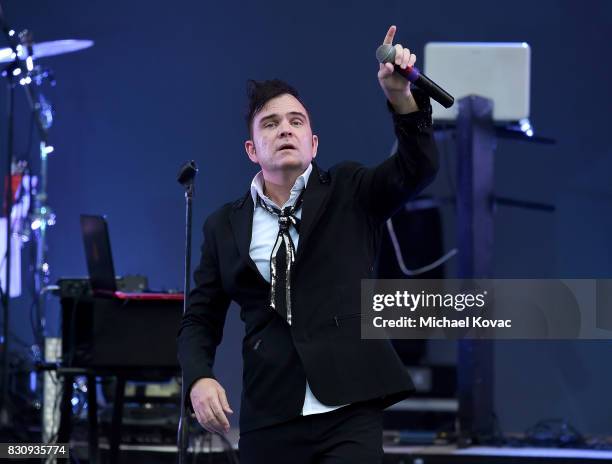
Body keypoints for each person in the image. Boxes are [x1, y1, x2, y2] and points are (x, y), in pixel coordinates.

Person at [177, 25, 439, 463]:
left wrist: (401, 99)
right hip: (270, 412)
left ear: (313, 143)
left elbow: (417, 169)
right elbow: (199, 319)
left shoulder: (349, 189)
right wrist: (199, 378)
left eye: (296, 122)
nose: (285, 130)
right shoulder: (224, 225)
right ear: (251, 149)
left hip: (349, 406)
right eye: (271, 123)